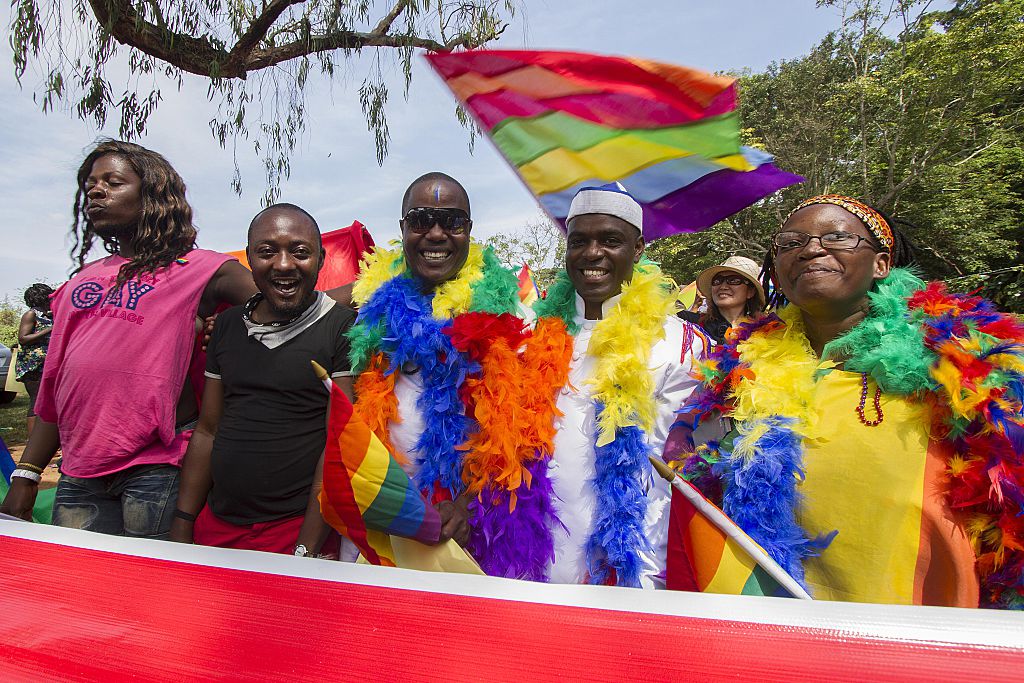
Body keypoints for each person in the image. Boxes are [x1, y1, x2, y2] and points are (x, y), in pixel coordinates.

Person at [679, 194, 1024, 608]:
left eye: (837, 237)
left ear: (881, 263)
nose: (810, 249)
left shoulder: (961, 356)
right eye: (791, 242)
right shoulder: (736, 367)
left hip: (927, 627)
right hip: (772, 617)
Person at [0, 139, 256, 539]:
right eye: (90, 184)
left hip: (158, 468)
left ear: (153, 195)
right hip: (78, 472)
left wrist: (384, 280)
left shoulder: (204, 269)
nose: (96, 190)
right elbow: (55, 387)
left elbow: (291, 302)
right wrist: (27, 474)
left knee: (150, 592)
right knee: (82, 592)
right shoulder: (79, 281)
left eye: (113, 181)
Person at [342, 172, 545, 563]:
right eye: (421, 220)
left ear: (468, 230)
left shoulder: (509, 315)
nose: (435, 234)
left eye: (451, 221)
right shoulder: (371, 309)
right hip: (382, 518)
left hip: (474, 529)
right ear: (403, 229)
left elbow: (522, 432)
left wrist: (470, 501)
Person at [528, 183, 706, 587]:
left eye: (610, 240)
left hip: (636, 562)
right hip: (536, 557)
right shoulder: (532, 338)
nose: (593, 254)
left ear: (638, 249)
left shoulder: (682, 344)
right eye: (580, 242)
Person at [169, 204, 355, 556]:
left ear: (321, 258)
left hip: (294, 530)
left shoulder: (341, 327)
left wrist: (306, 547)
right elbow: (209, 430)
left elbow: (339, 445)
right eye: (267, 252)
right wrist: (183, 520)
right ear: (250, 260)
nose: (284, 265)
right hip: (217, 525)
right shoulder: (225, 326)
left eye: (300, 252)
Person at [680, 256, 765, 345]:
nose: (723, 287)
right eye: (717, 281)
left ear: (750, 291)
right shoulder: (689, 321)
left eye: (733, 280)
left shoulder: (765, 332)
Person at [16, 283, 55, 439]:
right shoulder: (31, 315)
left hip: (48, 365)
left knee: (49, 402)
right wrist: (50, 329)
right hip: (33, 367)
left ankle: (45, 440)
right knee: (36, 402)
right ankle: (33, 441)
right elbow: (23, 338)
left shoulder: (49, 315)